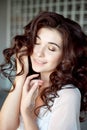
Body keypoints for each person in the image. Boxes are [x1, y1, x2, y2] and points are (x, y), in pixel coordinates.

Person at [0, 11, 87, 130]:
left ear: (65, 56)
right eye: (36, 43)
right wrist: (20, 76)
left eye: (51, 49)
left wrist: (27, 114)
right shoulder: (29, 83)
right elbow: (5, 127)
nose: (39, 53)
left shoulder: (68, 94)